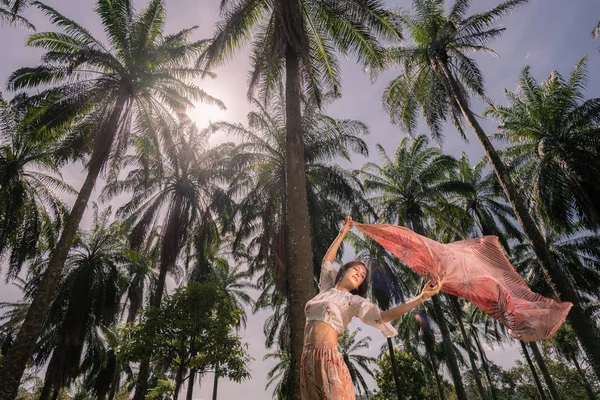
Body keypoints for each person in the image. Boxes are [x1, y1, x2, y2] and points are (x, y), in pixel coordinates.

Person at [300, 216, 443, 400]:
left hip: (329, 359)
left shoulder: (353, 302)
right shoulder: (326, 289)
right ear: (343, 270)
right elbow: (326, 262)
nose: (359, 275)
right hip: (306, 360)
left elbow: (383, 316)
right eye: (356, 270)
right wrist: (343, 233)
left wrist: (421, 297)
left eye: (362, 276)